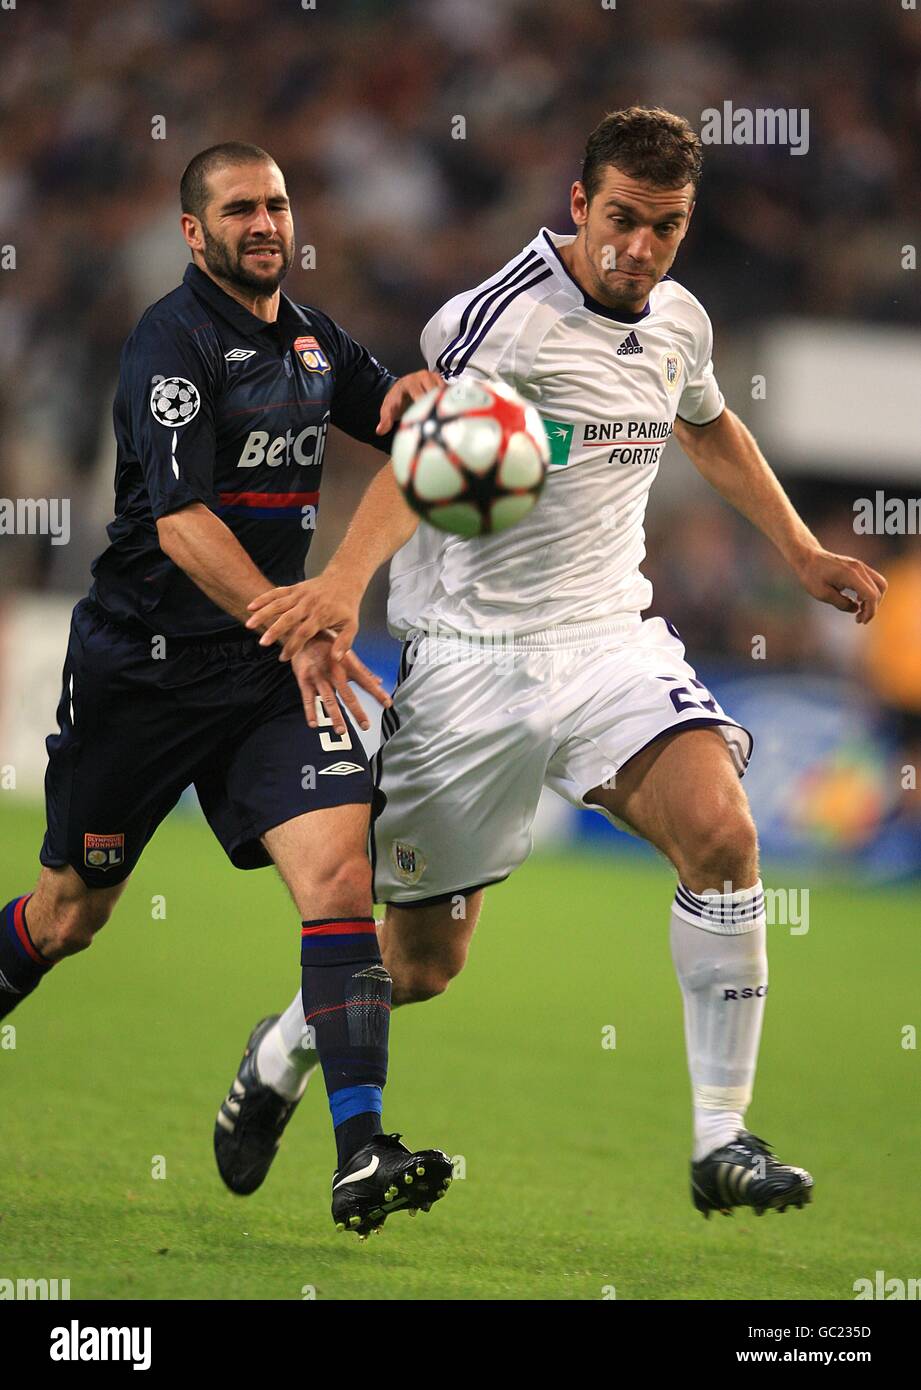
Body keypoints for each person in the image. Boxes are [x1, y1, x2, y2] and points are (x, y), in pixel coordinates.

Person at [220, 109, 887, 1218]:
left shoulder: (680, 321)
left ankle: (722, 1135)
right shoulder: (500, 322)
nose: (640, 248)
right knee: (422, 965)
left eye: (665, 228)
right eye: (622, 220)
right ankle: (281, 1053)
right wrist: (341, 587)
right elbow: (414, 455)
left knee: (723, 833)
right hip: (471, 659)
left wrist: (802, 549)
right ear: (580, 206)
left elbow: (709, 424)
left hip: (608, 638)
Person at [0, 142, 453, 1239]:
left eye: (279, 203)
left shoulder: (309, 335)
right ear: (194, 232)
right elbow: (180, 522)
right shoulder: (172, 343)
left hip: (262, 674)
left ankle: (359, 1150)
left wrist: (430, 403)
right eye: (241, 207)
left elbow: (394, 417)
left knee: (343, 875)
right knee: (70, 917)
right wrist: (293, 617)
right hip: (142, 675)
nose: (266, 221)